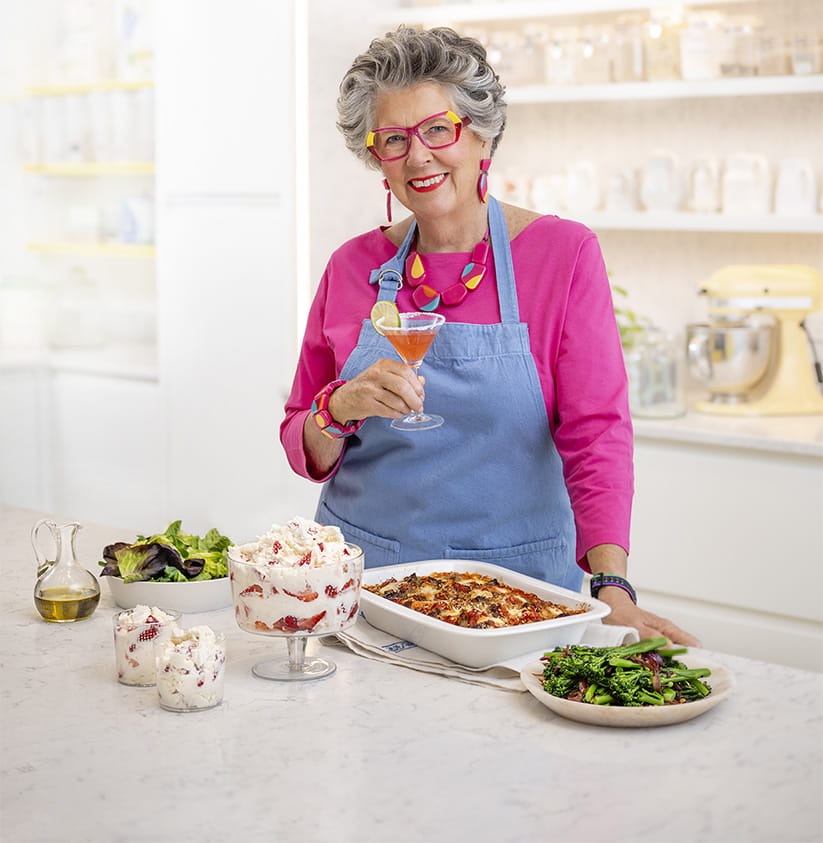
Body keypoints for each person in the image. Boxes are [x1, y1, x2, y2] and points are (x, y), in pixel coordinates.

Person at [281, 26, 698, 645]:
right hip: (366, 592)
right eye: (393, 139)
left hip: (518, 600)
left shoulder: (563, 254)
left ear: (482, 135)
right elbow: (303, 445)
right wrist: (339, 407)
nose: (418, 156)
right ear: (377, 159)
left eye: (437, 130)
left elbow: (596, 433)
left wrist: (613, 588)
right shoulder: (351, 266)